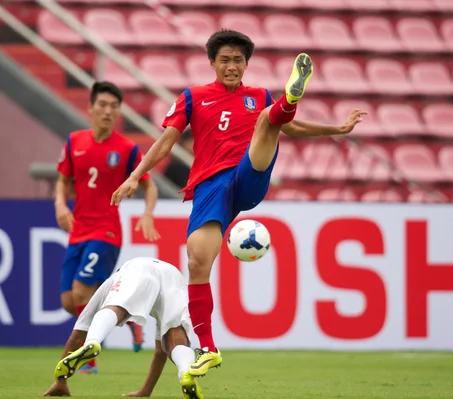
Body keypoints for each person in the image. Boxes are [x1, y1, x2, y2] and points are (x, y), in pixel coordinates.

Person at [111, 30, 366, 377]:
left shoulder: (257, 95)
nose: (232, 67)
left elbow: (292, 128)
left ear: (246, 63)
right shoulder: (193, 97)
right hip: (209, 187)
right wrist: (134, 175)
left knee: (268, 119)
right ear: (213, 63)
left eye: (238, 60)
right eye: (225, 60)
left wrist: (336, 129)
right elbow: (166, 141)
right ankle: (208, 349)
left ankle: (289, 99)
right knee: (197, 262)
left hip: (248, 174)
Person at [55, 81, 161, 372]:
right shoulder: (74, 141)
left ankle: (88, 357)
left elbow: (149, 186)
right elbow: (63, 180)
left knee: (80, 292)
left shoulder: (127, 149)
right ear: (90, 108)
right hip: (78, 229)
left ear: (119, 112)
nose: (108, 111)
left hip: (106, 231)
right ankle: (126, 318)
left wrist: (148, 212)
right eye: (102, 104)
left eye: (114, 106)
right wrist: (60, 205)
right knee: (69, 302)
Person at [42, 257, 202, 399]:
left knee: (116, 308)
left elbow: (77, 336)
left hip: (137, 268)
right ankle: (185, 373)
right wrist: (145, 391)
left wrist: (60, 381)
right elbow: (161, 352)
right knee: (175, 340)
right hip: (175, 277)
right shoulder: (169, 275)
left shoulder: (114, 280)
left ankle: (93, 341)